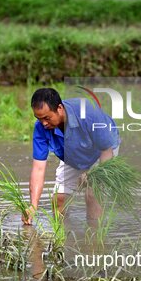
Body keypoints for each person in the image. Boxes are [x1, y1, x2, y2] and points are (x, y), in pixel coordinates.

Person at [22, 87, 120, 225]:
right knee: (59, 198)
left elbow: (106, 150)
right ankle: (61, 237)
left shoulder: (89, 113)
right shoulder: (41, 127)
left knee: (92, 194)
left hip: (102, 151)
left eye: (47, 118)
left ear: (60, 108)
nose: (43, 123)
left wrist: (95, 175)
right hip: (72, 153)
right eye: (39, 118)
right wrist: (33, 205)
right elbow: (38, 168)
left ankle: (94, 238)